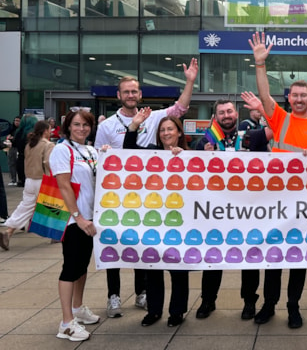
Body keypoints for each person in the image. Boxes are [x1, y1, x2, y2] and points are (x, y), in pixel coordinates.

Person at [94, 58, 198, 318]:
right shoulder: (106, 126)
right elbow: (103, 158)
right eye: (126, 91)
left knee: (163, 259)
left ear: (140, 94)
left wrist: (189, 82)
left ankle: (163, 305)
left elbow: (181, 108)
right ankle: (117, 297)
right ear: (119, 95)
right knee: (130, 251)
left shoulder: (157, 119)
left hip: (167, 205)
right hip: (124, 197)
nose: (131, 95)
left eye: (134, 91)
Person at [249, 31, 307, 329]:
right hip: (276, 202)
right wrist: (260, 64)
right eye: (294, 95)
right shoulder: (280, 118)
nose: (299, 99)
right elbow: (263, 95)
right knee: (272, 258)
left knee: (297, 260)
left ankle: (293, 307)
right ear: (289, 98)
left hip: (304, 206)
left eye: (303, 96)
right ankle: (269, 305)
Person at [193, 98, 272, 321]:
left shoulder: (251, 136)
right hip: (216, 212)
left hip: (248, 211)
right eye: (221, 113)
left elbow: (278, 129)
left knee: (250, 258)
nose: (226, 115)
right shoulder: (206, 142)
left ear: (236, 114)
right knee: (213, 257)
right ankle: (208, 300)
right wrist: (202, 156)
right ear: (215, 116)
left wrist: (262, 109)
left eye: (229, 111)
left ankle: (249, 302)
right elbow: (190, 171)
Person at [124, 109, 190, 327]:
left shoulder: (189, 156)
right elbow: (129, 151)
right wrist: (134, 126)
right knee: (152, 268)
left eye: (170, 129)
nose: (165, 133)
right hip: (153, 218)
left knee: (178, 270)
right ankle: (154, 311)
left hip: (179, 221)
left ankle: (177, 312)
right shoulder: (151, 152)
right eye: (162, 130)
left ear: (179, 132)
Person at [50, 109, 100, 342]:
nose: (82, 129)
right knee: (70, 268)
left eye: (86, 125)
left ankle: (78, 308)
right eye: (77, 124)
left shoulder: (90, 150)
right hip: (73, 220)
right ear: (68, 126)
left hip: (89, 217)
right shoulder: (62, 149)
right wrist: (78, 217)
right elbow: (64, 185)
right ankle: (66, 323)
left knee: (81, 266)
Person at [1, 120, 55, 251]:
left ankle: (8, 232)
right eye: (49, 129)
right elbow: (48, 163)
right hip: (43, 179)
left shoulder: (30, 144)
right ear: (45, 131)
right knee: (53, 206)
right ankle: (55, 234)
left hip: (30, 180)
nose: (51, 132)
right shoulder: (48, 145)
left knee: (25, 207)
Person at [13, 115, 38, 187]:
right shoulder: (35, 134)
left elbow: (14, 144)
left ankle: (21, 181)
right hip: (32, 160)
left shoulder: (18, 132)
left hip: (21, 158)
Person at [7, 116, 20, 185]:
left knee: (19, 164)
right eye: (15, 120)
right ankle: (13, 179)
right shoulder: (11, 128)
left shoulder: (21, 130)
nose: (16, 122)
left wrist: (13, 138)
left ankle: (20, 179)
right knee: (11, 163)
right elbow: (8, 137)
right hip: (11, 147)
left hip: (19, 148)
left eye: (18, 121)